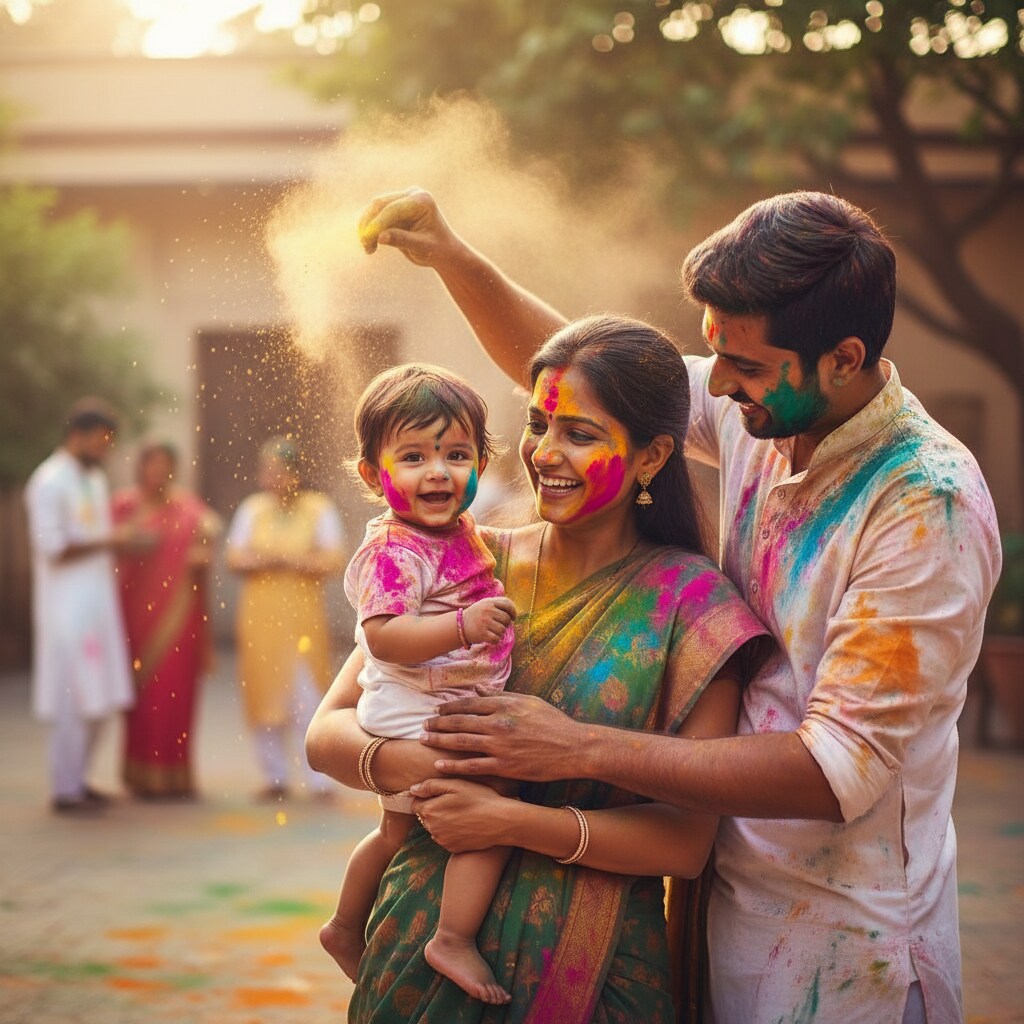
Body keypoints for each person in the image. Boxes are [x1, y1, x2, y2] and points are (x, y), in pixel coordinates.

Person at [354, 188, 1002, 1023]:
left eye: (746, 365)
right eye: (714, 356)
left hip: (850, 950)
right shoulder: (763, 410)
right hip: (713, 914)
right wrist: (453, 256)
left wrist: (574, 749)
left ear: (842, 359)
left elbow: (832, 768)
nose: (718, 384)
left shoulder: (925, 505)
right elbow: (600, 386)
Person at [306, 316, 770, 1023]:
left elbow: (685, 843)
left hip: (597, 971)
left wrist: (508, 819)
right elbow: (326, 734)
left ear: (652, 458)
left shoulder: (693, 606)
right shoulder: (458, 560)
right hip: (412, 954)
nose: (545, 454)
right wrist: (417, 765)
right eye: (538, 425)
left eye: (580, 435)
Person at [320, 364, 517, 1003]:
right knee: (487, 805)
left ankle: (344, 927)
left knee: (394, 833)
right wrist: (463, 625)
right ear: (373, 474)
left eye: (456, 454)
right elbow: (383, 637)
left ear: (481, 464)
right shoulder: (393, 552)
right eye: (413, 456)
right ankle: (452, 938)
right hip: (414, 707)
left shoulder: (460, 534)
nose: (437, 471)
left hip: (433, 701)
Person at [25, 398, 139, 814]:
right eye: (101, 440)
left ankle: (80, 779)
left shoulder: (91, 479)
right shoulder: (49, 481)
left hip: (97, 608)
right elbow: (52, 547)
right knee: (72, 698)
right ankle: (65, 789)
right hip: (65, 612)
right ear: (78, 435)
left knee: (101, 696)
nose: (105, 449)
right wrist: (112, 540)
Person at [226, 436, 345, 802]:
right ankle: (274, 776)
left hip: (302, 620)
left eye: (279, 470)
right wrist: (270, 561)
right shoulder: (253, 509)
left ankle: (319, 780)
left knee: (307, 694)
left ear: (295, 473)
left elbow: (332, 558)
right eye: (267, 470)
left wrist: (289, 562)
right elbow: (234, 557)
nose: (271, 477)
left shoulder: (317, 508)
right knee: (263, 692)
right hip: (260, 619)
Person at [112, 441, 221, 799]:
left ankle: (175, 774)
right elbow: (109, 548)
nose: (157, 472)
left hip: (178, 618)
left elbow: (209, 528)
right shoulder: (125, 506)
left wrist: (203, 547)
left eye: (164, 465)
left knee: (175, 694)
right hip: (133, 616)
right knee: (140, 699)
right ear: (140, 468)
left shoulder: (186, 507)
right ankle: (141, 775)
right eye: (151, 465)